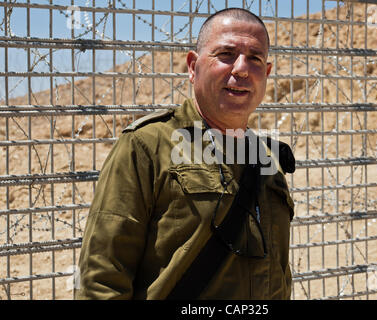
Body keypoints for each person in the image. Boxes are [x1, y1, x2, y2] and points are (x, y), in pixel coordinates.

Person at [75, 7, 295, 300]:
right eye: (226, 54)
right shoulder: (147, 146)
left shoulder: (266, 157)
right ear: (193, 67)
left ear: (266, 74)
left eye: (254, 58)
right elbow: (102, 278)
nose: (241, 69)